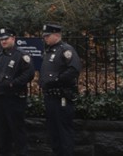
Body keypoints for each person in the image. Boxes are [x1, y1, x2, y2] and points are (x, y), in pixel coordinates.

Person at [0, 28, 35, 156]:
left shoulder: (21, 55)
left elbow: (29, 74)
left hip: (14, 99)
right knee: (2, 131)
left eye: (6, 39)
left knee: (17, 131)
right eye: (1, 39)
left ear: (13, 38)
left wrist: (13, 83)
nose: (3, 41)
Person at [39, 23, 81, 156]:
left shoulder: (66, 50)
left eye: (47, 35)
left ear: (56, 35)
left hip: (61, 97)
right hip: (50, 97)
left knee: (64, 131)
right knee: (53, 132)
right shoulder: (49, 51)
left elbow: (74, 69)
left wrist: (56, 79)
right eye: (44, 36)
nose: (45, 38)